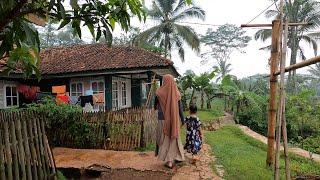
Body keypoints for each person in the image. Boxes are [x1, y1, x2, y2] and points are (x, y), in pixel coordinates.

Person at [154, 74, 185, 168]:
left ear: (164, 81)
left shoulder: (159, 92)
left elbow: (155, 106)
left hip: (162, 120)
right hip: (174, 120)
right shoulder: (177, 93)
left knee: (164, 140)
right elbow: (180, 108)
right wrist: (182, 120)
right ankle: (175, 158)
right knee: (173, 139)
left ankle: (169, 161)